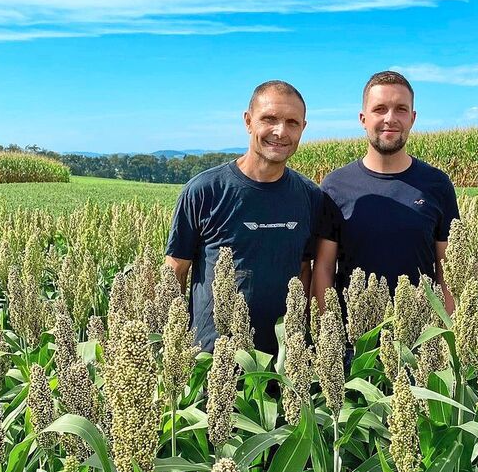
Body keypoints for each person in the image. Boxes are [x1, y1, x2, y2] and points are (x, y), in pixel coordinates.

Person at [165, 80, 321, 355]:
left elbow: (303, 269)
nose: (280, 131)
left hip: (282, 363)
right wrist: (172, 348)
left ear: (303, 128)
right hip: (213, 361)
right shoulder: (204, 191)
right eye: (269, 119)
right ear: (248, 121)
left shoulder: (310, 195)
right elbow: (175, 271)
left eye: (292, 122)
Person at [312, 69, 459, 313]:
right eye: (379, 109)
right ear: (363, 119)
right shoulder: (335, 186)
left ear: (412, 118)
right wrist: (326, 328)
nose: (390, 118)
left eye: (401, 109)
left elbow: (449, 270)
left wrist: (450, 330)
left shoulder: (438, 185)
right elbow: (324, 269)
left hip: (422, 331)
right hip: (355, 332)